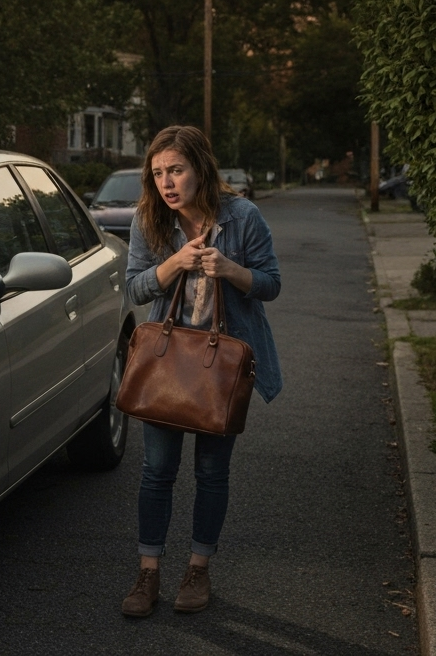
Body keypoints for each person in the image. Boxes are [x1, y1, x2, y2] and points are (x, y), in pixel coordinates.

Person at [119, 125, 283, 617]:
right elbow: (134, 289)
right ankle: (148, 574)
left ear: (200, 169)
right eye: (159, 174)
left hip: (223, 367)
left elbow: (271, 284)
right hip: (167, 363)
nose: (167, 183)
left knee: (212, 472)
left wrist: (229, 269)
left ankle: (198, 569)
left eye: (176, 170)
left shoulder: (243, 217)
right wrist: (176, 263)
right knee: (156, 471)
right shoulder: (148, 219)